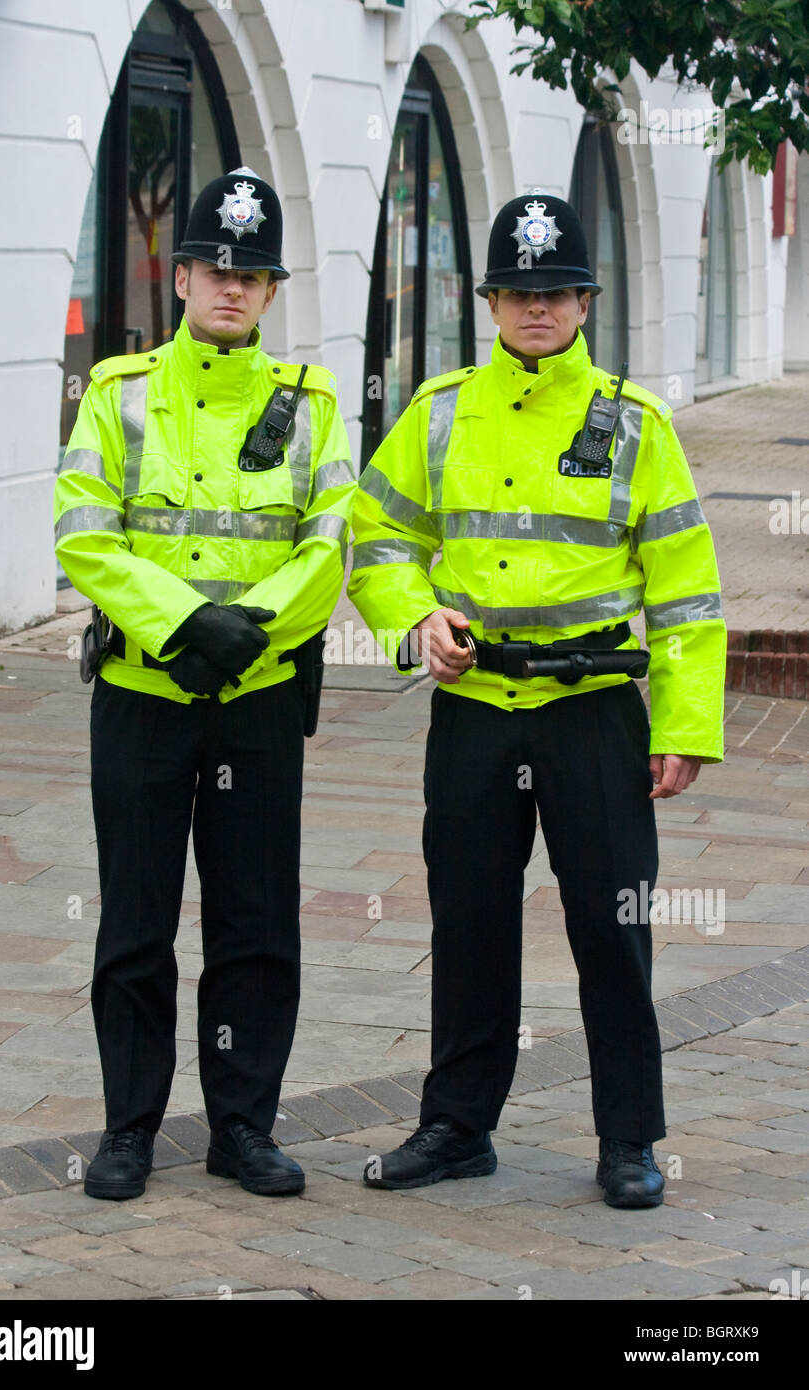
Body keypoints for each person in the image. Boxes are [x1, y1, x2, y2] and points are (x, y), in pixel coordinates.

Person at [348, 192, 726, 1208]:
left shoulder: (633, 424)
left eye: (553, 293)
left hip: (593, 710)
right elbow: (374, 542)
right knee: (469, 918)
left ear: (584, 301)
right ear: (489, 301)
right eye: (517, 293)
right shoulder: (435, 415)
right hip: (473, 709)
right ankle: (457, 1125)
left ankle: (627, 1140)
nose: (535, 311)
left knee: (612, 922)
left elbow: (687, 592)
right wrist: (413, 619)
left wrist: (685, 725)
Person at [54, 168, 355, 1201]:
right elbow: (84, 532)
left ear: (271, 293)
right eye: (215, 268)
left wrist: (241, 633)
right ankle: (129, 1128)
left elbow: (328, 544)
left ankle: (242, 1127)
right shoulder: (118, 391)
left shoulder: (310, 404)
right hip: (142, 694)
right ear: (180, 275)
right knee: (135, 923)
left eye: (253, 273)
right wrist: (182, 621)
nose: (232, 287)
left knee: (256, 923)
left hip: (257, 700)